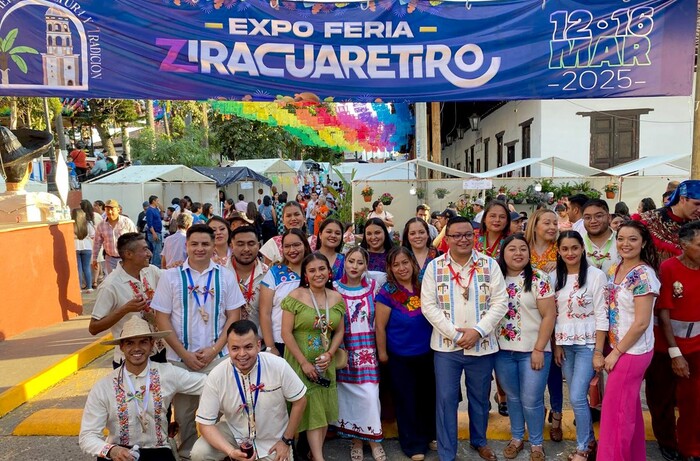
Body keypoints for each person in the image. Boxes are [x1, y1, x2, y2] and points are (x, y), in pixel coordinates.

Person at [153, 224, 245, 458]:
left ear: (214, 246)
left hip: (218, 358)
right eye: (194, 244)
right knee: (184, 413)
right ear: (186, 246)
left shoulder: (225, 276)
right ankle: (187, 453)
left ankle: (213, 453)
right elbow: (161, 318)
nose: (200, 249)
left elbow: (234, 316)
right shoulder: (170, 277)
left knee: (220, 409)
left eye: (205, 244)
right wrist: (184, 354)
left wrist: (214, 351)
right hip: (180, 359)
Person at [421, 216, 508, 461]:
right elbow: (428, 306)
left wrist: (478, 331)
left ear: (475, 236)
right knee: (446, 400)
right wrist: (455, 334)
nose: (463, 239)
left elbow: (500, 302)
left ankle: (479, 440)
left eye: (468, 234)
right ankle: (447, 452)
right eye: (456, 235)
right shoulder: (434, 267)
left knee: (480, 398)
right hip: (446, 347)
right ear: (446, 239)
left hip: (482, 345)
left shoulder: (489, 265)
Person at [635, 180, 700, 460]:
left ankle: (689, 443)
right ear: (682, 199)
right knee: (660, 392)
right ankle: (667, 440)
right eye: (697, 204)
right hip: (657, 314)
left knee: (691, 396)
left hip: (693, 328)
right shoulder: (648, 221)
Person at [79, 317, 206, 461]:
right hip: (118, 453)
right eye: (130, 343)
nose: (137, 348)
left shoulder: (168, 373)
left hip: (157, 452)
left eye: (143, 342)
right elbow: (87, 436)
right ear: (121, 347)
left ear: (152, 344)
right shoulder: (104, 386)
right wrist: (111, 450)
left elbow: (207, 384)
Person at [190, 320, 308, 461]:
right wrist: (231, 451)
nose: (242, 354)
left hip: (271, 440)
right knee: (199, 453)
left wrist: (285, 441)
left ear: (258, 345)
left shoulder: (278, 365)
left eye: (248, 347)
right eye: (235, 348)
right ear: (228, 348)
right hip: (234, 432)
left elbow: (300, 401)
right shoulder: (217, 375)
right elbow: (205, 424)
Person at [595, 220, 660, 461]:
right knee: (627, 409)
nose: (625, 244)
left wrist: (615, 352)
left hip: (631, 353)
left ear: (643, 243)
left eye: (633, 239)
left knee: (616, 417)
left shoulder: (644, 274)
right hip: (620, 348)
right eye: (621, 238)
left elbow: (642, 322)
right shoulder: (615, 269)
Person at [494, 234, 556, 461]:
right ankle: (517, 438)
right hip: (503, 351)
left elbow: (549, 315)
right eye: (512, 249)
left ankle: (537, 443)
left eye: (522, 249)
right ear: (503, 253)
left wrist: (539, 348)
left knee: (532, 399)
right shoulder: (495, 278)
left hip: (534, 351)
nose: (518, 253)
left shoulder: (539, 277)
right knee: (512, 397)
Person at [281, 253, 345, 461]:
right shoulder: (295, 296)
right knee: (307, 405)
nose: (318, 274)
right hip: (300, 362)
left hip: (325, 363)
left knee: (321, 408)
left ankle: (314, 454)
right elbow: (285, 333)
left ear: (329, 272)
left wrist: (330, 353)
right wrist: (303, 362)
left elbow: (340, 331)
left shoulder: (336, 298)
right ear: (306, 275)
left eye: (321, 269)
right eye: (312, 270)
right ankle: (317, 457)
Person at [375, 247, 436, 461]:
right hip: (400, 356)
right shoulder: (387, 292)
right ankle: (412, 444)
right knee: (406, 400)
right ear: (390, 268)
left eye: (405, 263)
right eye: (396, 264)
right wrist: (382, 353)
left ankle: (430, 435)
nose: (402, 268)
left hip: (428, 353)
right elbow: (380, 327)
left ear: (412, 263)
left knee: (428, 397)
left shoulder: (424, 286)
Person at [553, 231, 607, 460]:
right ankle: (589, 441)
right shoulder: (554, 277)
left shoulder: (596, 276)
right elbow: (554, 314)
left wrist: (598, 351)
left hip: (587, 344)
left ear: (582, 248)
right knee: (577, 397)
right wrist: (557, 345)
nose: (570, 253)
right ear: (558, 251)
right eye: (565, 249)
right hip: (565, 345)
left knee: (576, 397)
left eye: (574, 248)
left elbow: (603, 315)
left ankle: (584, 447)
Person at [330, 246, 385, 460]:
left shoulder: (373, 287)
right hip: (345, 350)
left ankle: (374, 439)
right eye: (351, 261)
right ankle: (356, 441)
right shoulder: (334, 289)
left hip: (369, 350)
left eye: (359, 262)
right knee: (349, 398)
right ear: (344, 262)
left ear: (366, 266)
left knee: (371, 396)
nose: (354, 266)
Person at [655, 221, 700, 461]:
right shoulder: (669, 268)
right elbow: (663, 313)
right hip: (667, 344)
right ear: (683, 245)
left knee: (693, 399)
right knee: (662, 398)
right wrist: (675, 354)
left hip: (697, 344)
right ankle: (667, 441)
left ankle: (690, 448)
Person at [89, 233, 163, 367]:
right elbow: (93, 328)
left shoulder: (151, 271)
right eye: (144, 249)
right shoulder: (110, 286)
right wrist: (125, 309)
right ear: (129, 254)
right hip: (130, 359)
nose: (149, 253)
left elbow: (174, 283)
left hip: (159, 352)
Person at [259, 229, 312, 357]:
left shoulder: (314, 271)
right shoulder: (274, 273)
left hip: (310, 342)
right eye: (287, 246)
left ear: (305, 245)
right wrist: (271, 346)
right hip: (280, 342)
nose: (292, 250)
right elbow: (264, 312)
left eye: (296, 245)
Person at [230, 226, 268, 328]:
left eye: (251, 244)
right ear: (231, 246)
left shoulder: (268, 275)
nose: (246, 249)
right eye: (240, 244)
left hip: (259, 341)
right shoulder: (220, 271)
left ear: (259, 245)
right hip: (225, 341)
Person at [92, 199, 138, 275]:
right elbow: (97, 243)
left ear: (118, 210)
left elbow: (135, 239)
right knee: (112, 282)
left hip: (126, 258)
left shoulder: (127, 222)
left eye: (112, 209)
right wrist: (94, 258)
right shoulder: (101, 225)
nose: (109, 212)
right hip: (110, 259)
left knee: (127, 279)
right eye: (107, 210)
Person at [581, 199, 619, 274]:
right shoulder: (578, 242)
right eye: (588, 218)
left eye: (598, 216)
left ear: (609, 217)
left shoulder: (621, 240)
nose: (593, 221)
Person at [402, 217, 440, 283]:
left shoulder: (435, 254)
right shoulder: (402, 256)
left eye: (421, 232)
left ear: (428, 234)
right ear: (407, 236)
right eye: (412, 233)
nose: (417, 236)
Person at [525, 208, 558, 274]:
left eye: (555, 224)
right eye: (547, 223)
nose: (553, 227)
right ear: (534, 226)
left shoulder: (562, 248)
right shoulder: (523, 249)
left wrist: (560, 264)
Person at [73, 207, 95, 292]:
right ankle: (89, 287)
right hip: (87, 245)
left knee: (79, 267)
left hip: (76, 246)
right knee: (86, 267)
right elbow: (93, 235)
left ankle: (79, 287)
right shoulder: (88, 224)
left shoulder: (72, 224)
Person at [146, 195, 163, 269]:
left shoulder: (156, 209)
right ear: (153, 201)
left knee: (158, 249)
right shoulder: (149, 210)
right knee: (157, 250)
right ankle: (156, 266)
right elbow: (150, 223)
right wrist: (153, 233)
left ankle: (156, 265)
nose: (158, 202)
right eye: (157, 201)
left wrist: (159, 205)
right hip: (154, 232)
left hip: (158, 231)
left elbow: (162, 210)